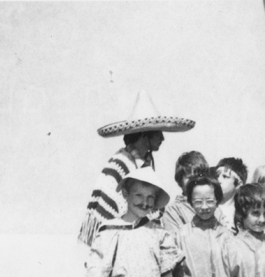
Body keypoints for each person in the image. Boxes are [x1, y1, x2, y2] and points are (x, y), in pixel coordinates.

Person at [79, 91, 194, 246]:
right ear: (145, 135)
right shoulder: (121, 163)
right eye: (158, 133)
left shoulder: (142, 163)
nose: (162, 138)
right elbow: (111, 211)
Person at [161, 151, 209, 233]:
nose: (196, 181)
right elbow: (175, 240)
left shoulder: (214, 207)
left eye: (200, 177)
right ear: (180, 181)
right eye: (190, 178)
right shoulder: (173, 210)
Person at [214, 158, 247, 232]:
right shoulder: (207, 207)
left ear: (239, 184)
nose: (218, 180)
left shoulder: (243, 214)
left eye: (225, 176)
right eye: (216, 176)